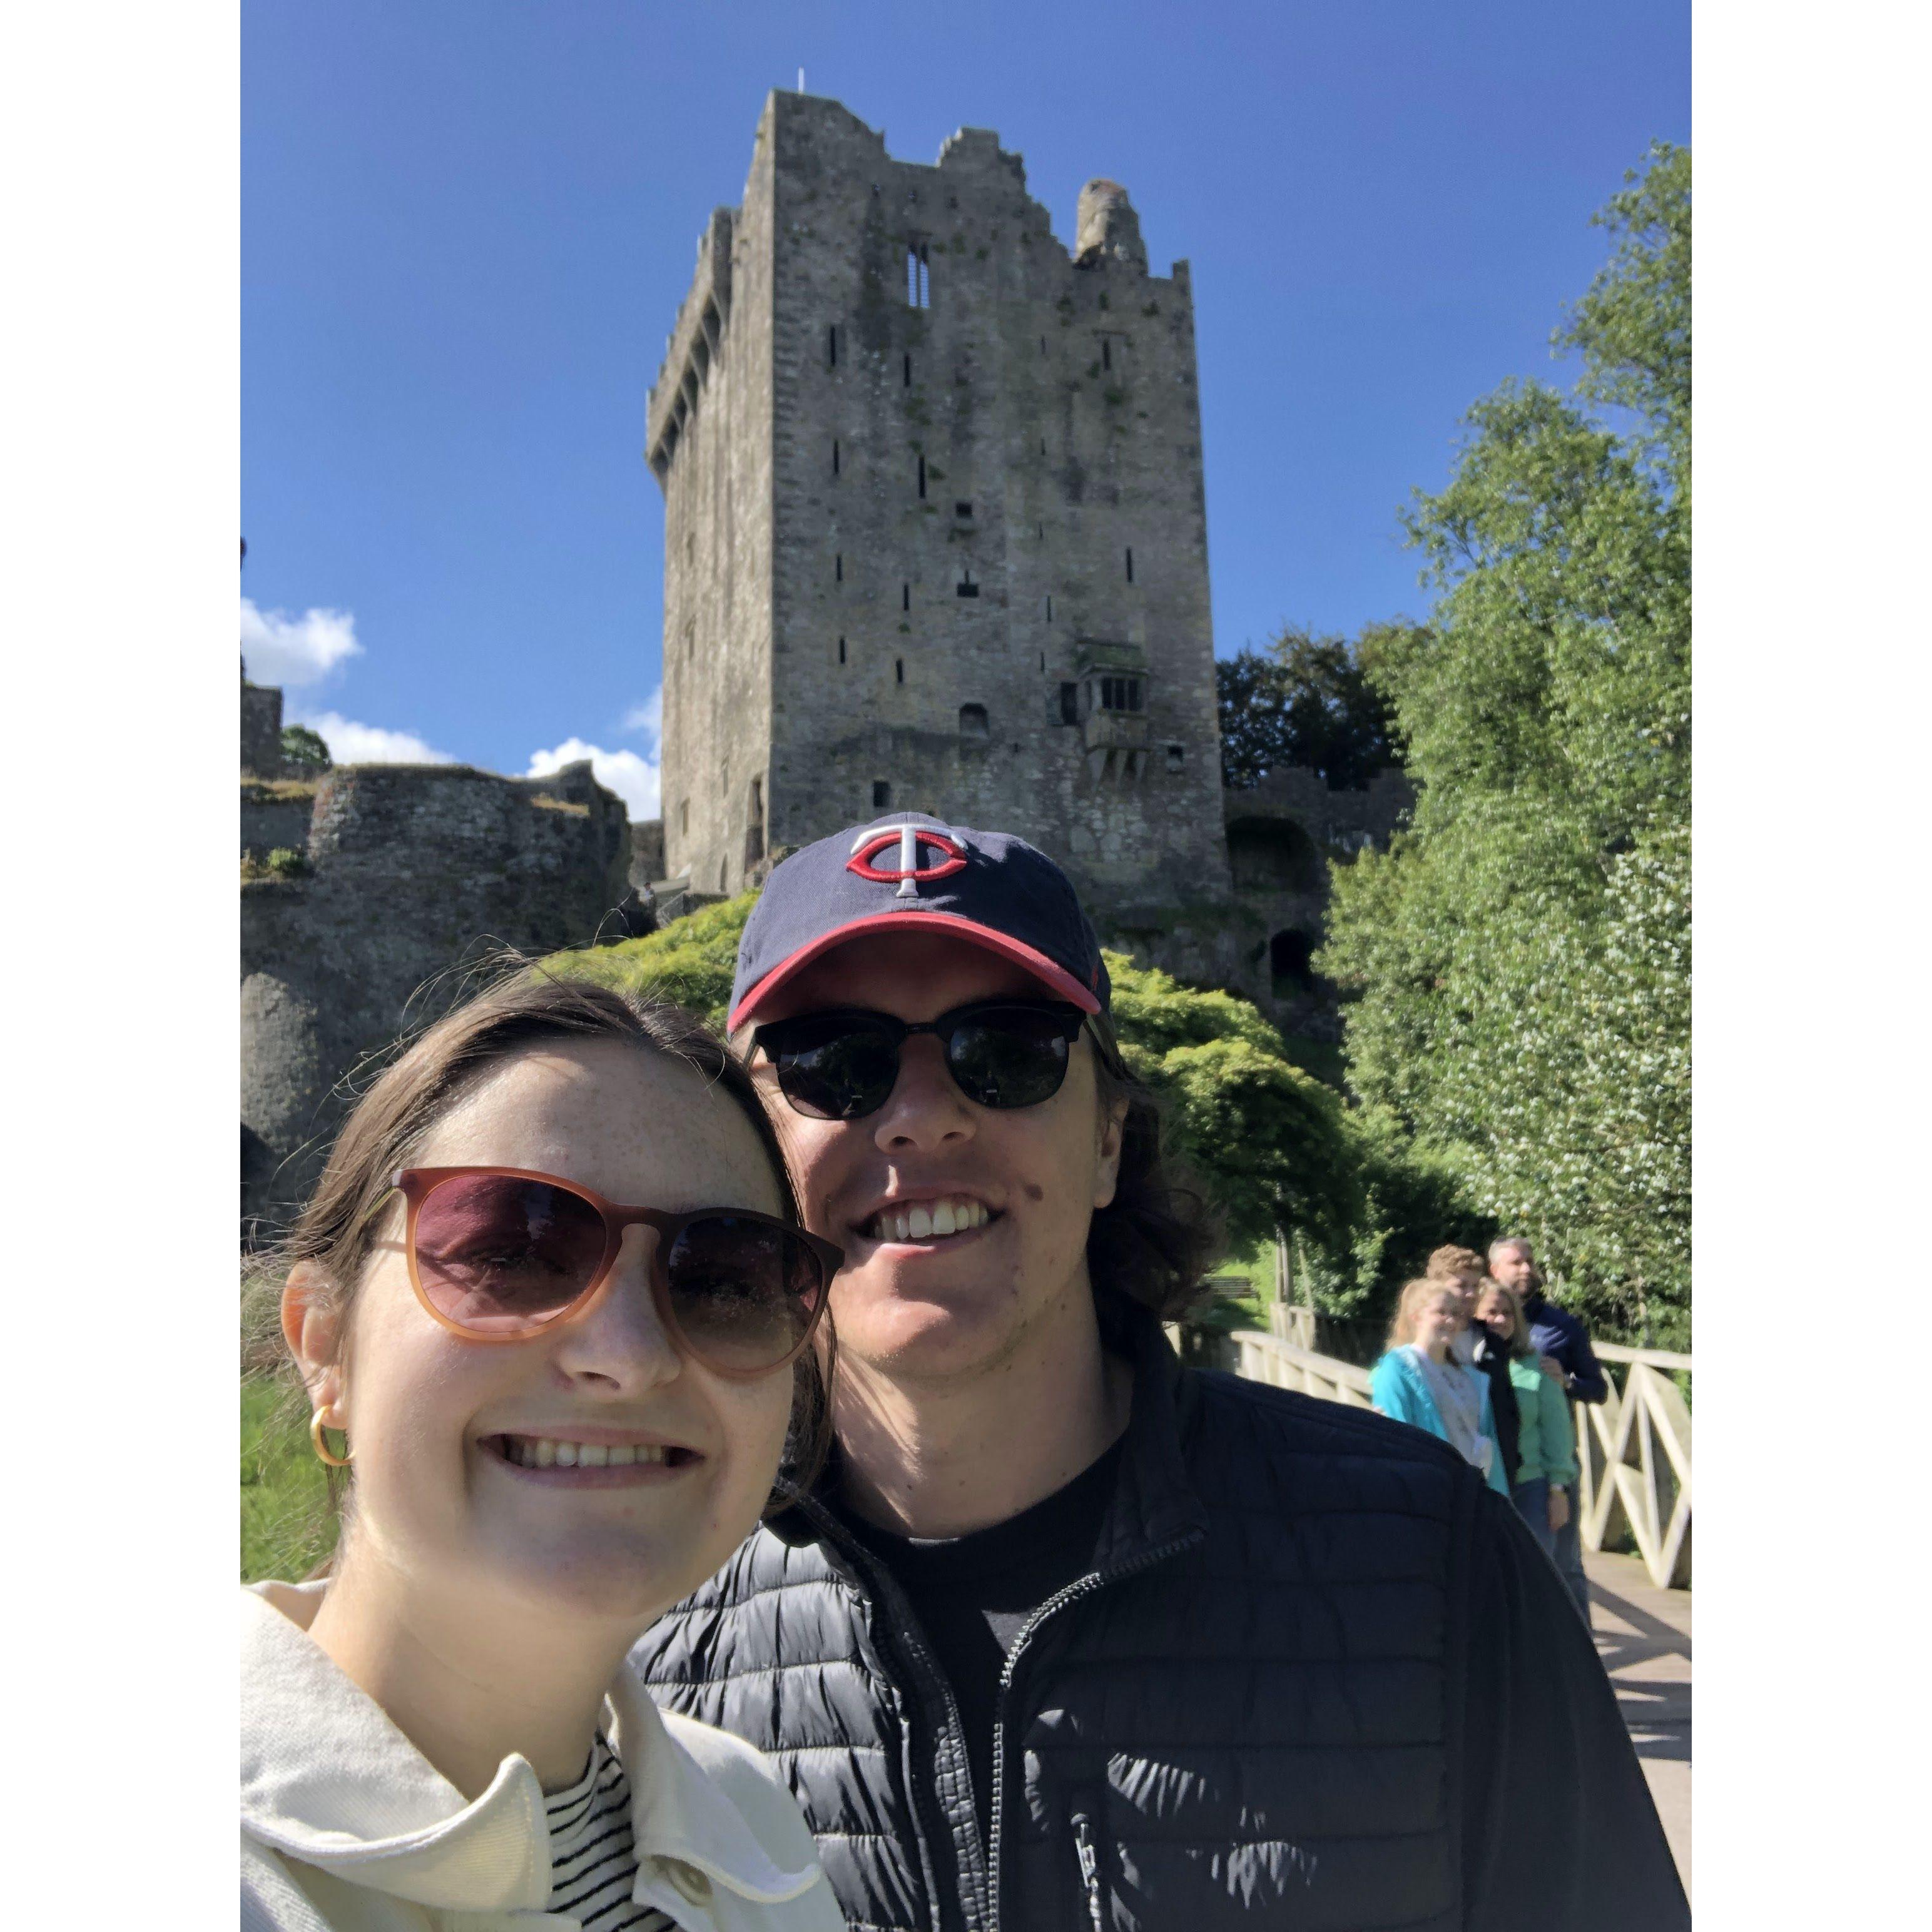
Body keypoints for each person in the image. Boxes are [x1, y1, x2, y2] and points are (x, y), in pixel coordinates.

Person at [631, 812, 1688, 1932]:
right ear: (749, 1152)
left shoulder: (1433, 1557)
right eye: (831, 1061)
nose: (922, 1117)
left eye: (1011, 1049)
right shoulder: (632, 1621)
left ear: (1107, 1140)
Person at [243, 975, 848, 1932]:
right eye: (510, 1252)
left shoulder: (755, 1820)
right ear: (325, 1343)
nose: (630, 1355)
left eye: (725, 1277)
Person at [1491, 1234, 1606, 1621]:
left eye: (1530, 1261)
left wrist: (1568, 1381)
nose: (1526, 1269)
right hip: (1497, 1465)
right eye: (1516, 1262)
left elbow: (1598, 1389)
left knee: (1565, 1565)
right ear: (1494, 1270)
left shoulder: (1562, 1326)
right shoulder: (1474, 1323)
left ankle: (1583, 1649)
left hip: (1553, 1463)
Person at [1370, 1278, 1512, 1496]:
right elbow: (1396, 1440)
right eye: (1441, 1312)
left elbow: (1490, 1445)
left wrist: (1500, 1501)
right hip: (1427, 1492)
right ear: (1416, 1317)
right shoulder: (1396, 1369)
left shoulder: (1473, 1378)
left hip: (1473, 1494)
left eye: (1455, 1313)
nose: (1451, 1320)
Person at [1476, 1281, 1580, 1565]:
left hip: (1529, 1487)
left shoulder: (1538, 1365)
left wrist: (1558, 1491)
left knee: (1535, 1572)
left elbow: (1557, 1433)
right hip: (1480, 1486)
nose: (1500, 1319)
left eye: (1508, 1313)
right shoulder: (1463, 1364)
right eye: (1491, 1312)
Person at [1425, 1243, 1520, 1488]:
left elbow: (1507, 1405)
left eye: (1475, 1286)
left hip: (1492, 1469)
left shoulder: (1492, 1342)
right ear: (1436, 1287)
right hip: (1443, 1466)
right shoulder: (1426, 1342)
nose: (1470, 1294)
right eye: (1461, 1286)